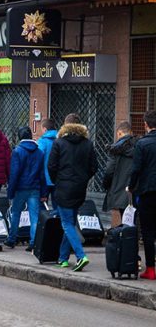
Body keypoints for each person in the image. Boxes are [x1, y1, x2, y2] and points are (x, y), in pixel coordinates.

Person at [48, 113, 97, 271]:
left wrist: (57, 180)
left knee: (67, 223)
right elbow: (94, 167)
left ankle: (81, 256)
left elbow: (51, 166)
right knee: (70, 222)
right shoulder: (87, 144)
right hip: (79, 188)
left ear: (65, 125)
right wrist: (83, 178)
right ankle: (62, 258)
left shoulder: (59, 143)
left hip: (63, 187)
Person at [4, 126, 47, 251]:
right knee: (34, 216)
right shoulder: (39, 152)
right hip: (34, 188)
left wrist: (10, 191)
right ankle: (33, 242)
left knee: (16, 213)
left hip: (20, 188)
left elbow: (14, 173)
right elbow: (42, 174)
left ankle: (12, 239)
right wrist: (44, 192)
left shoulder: (17, 151)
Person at [128, 110, 156, 280]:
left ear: (146, 125)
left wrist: (130, 186)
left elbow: (136, 169)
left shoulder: (142, 144)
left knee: (147, 230)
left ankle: (151, 269)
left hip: (148, 192)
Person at [103, 121, 138, 227]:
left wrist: (106, 184)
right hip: (137, 188)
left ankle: (127, 241)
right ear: (131, 132)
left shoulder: (115, 149)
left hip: (120, 189)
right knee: (134, 219)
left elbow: (109, 170)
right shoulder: (139, 146)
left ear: (119, 133)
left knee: (126, 218)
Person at [37, 118, 58, 212]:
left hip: (44, 180)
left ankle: (44, 226)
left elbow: (38, 159)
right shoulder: (60, 140)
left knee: (42, 207)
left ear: (45, 129)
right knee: (57, 207)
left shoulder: (42, 141)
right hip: (58, 179)